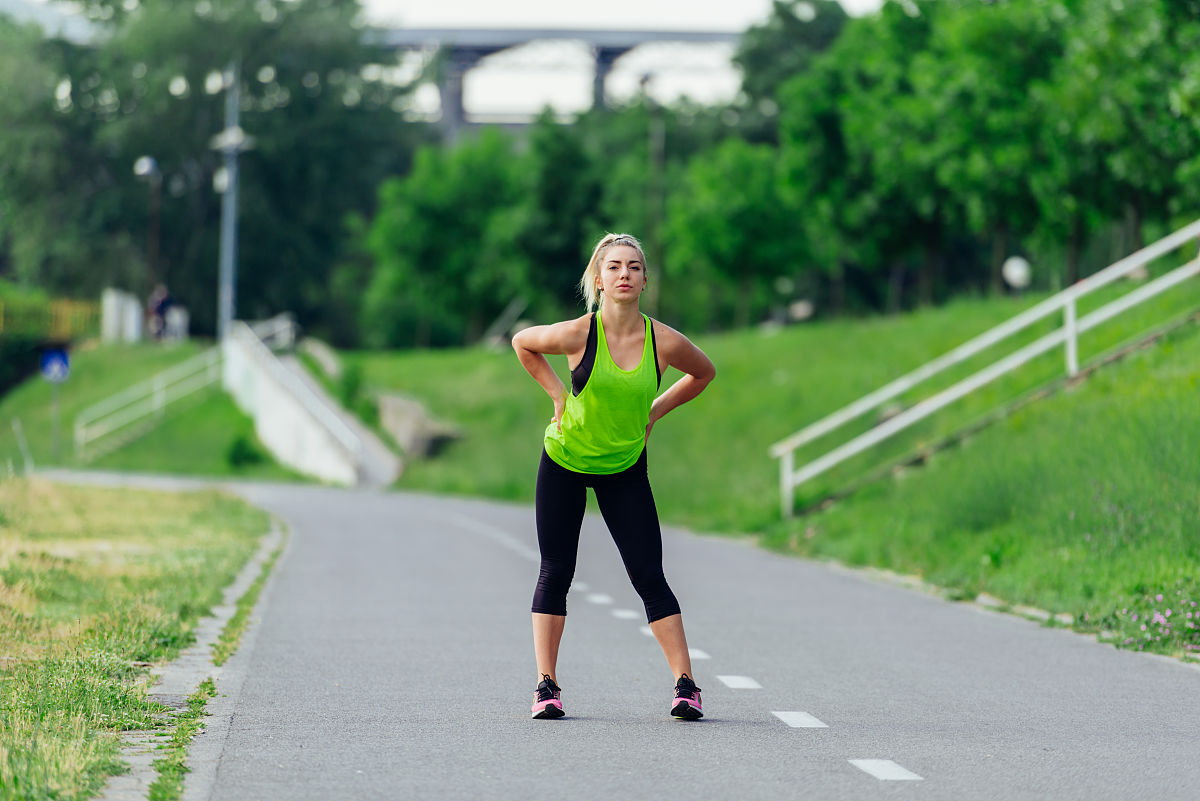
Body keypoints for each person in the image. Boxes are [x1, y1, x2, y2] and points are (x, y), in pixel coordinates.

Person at [511, 232, 716, 721]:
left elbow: (703, 373)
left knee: (649, 574)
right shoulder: (581, 333)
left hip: (624, 467)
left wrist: (655, 412)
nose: (625, 274)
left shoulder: (662, 341)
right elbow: (523, 343)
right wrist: (558, 396)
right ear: (598, 280)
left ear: (644, 280)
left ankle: (686, 685)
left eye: (635, 267)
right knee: (556, 571)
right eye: (615, 267)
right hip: (565, 461)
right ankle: (546, 686)